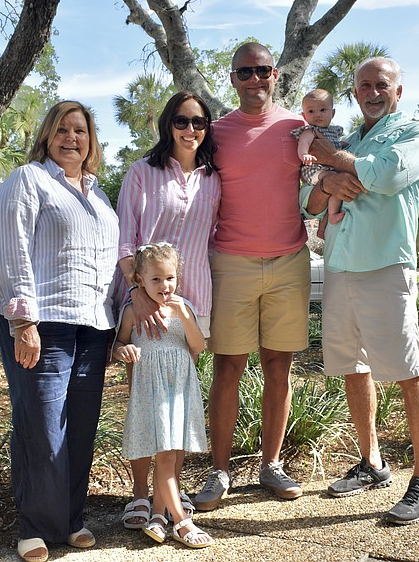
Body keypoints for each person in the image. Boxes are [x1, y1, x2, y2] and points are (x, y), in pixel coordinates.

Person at [300, 57, 419, 525]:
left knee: (408, 370)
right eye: (364, 85)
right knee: (352, 366)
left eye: (382, 84)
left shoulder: (417, 134)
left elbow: (387, 176)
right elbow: (308, 203)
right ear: (355, 93)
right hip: (339, 266)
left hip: (385, 266)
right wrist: (328, 180)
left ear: (398, 91)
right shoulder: (352, 139)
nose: (372, 92)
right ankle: (372, 462)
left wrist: (332, 160)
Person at [0, 100, 118, 562]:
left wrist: (118, 323)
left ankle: (70, 520)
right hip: (43, 324)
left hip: (93, 326)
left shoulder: (99, 195)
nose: (71, 138)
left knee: (80, 426)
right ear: (47, 135)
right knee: (41, 425)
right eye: (62, 129)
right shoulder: (29, 180)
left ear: (91, 140)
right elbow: (11, 250)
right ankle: (35, 527)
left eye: (80, 131)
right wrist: (23, 321)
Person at [193, 42, 310, 511]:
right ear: (233, 79)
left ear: (275, 74)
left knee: (279, 366)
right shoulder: (215, 133)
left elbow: (320, 179)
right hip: (231, 263)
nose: (254, 79)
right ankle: (219, 472)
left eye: (262, 70)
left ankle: (271, 465)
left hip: (289, 261)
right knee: (228, 367)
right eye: (245, 72)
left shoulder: (298, 128)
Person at [114, 92, 220, 530]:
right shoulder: (142, 172)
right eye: (181, 120)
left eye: (199, 122)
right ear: (167, 124)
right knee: (144, 400)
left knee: (178, 399)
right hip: (144, 299)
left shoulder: (214, 178)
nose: (190, 129)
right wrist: (136, 292)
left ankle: (167, 497)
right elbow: (125, 240)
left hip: (192, 302)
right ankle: (142, 494)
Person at [113, 243, 214, 549]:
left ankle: (158, 515)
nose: (164, 285)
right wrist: (124, 350)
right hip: (151, 392)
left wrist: (183, 315)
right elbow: (118, 344)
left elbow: (198, 346)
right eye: (155, 279)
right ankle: (181, 521)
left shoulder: (183, 308)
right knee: (165, 455)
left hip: (179, 390)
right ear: (139, 280)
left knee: (169, 455)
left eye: (170, 278)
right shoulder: (132, 311)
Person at [291, 89, 347, 239]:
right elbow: (303, 144)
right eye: (311, 111)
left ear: (332, 113)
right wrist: (305, 155)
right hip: (314, 169)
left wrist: (342, 145)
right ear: (304, 116)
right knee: (335, 181)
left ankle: (324, 226)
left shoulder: (334, 131)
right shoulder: (310, 131)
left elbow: (334, 146)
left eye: (323, 110)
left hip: (327, 169)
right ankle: (331, 216)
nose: (317, 114)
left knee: (336, 189)